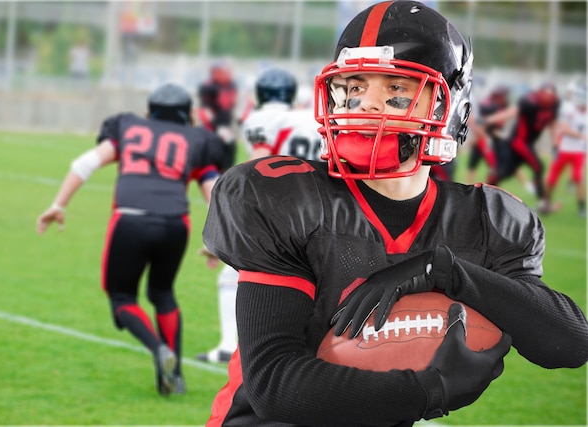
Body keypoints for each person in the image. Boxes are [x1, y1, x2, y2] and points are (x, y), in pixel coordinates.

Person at [201, 2, 588, 426]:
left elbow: (567, 343)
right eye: (354, 88)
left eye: (396, 91)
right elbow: (274, 384)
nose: (364, 105)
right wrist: (428, 391)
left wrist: (446, 271)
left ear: (448, 108)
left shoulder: (484, 217)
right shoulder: (283, 196)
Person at [36, 83, 224, 397]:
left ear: (150, 110)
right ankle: (174, 376)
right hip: (175, 223)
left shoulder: (128, 127)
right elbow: (215, 193)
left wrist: (58, 205)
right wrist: (218, 239)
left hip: (131, 219)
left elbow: (84, 163)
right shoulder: (197, 140)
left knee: (122, 297)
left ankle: (158, 349)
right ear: (185, 114)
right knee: (163, 293)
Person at [196, 66, 324, 364]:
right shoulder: (311, 117)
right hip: (317, 209)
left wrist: (227, 223)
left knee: (233, 274)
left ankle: (230, 345)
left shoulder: (260, 119)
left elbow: (258, 168)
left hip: (276, 209)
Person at [485, 82, 561, 213]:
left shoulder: (553, 105)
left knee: (505, 172)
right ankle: (544, 204)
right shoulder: (529, 103)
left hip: (527, 143)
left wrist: (555, 143)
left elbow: (552, 123)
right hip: (519, 141)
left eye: (550, 95)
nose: (547, 98)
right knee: (538, 167)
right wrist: (490, 119)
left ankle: (484, 192)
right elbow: (512, 112)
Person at [543, 81, 587, 217]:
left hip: (579, 151)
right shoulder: (568, 108)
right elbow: (564, 128)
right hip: (563, 149)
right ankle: (545, 204)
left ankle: (582, 207)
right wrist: (581, 135)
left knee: (578, 178)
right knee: (552, 179)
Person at [198, 59, 240, 171]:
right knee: (218, 149)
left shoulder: (231, 84)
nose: (228, 74)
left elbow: (230, 106)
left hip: (225, 124)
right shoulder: (208, 87)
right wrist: (217, 127)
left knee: (230, 148)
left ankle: (225, 172)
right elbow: (205, 110)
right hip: (213, 125)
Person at [465, 85, 509, 184]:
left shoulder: (494, 106)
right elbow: (480, 123)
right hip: (483, 138)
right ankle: (472, 186)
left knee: (492, 164)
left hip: (485, 138)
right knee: (476, 164)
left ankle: (488, 185)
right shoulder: (489, 106)